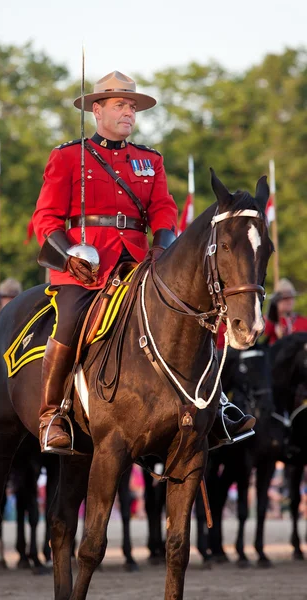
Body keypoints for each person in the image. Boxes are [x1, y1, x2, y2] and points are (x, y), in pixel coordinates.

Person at [33, 70, 254, 451]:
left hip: (138, 262)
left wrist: (163, 244)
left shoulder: (149, 160)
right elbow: (45, 217)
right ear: (96, 110)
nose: (128, 113)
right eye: (120, 105)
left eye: (132, 106)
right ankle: (51, 414)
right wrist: (68, 256)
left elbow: (164, 211)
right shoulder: (68, 156)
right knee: (69, 321)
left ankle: (216, 405)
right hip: (86, 269)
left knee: (195, 314)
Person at [264, 278, 307, 345]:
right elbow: (266, 329)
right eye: (285, 298)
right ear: (277, 301)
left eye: (291, 298)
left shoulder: (303, 321)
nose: (289, 301)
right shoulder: (271, 320)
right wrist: (274, 309)